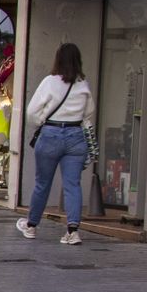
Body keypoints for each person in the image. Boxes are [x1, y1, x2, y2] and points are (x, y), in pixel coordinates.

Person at [18, 43, 93, 246]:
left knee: (43, 182)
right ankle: (73, 231)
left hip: (51, 134)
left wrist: (41, 122)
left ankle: (32, 226)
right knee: (72, 184)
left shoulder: (50, 82)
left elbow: (32, 111)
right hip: (76, 136)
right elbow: (88, 113)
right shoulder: (83, 84)